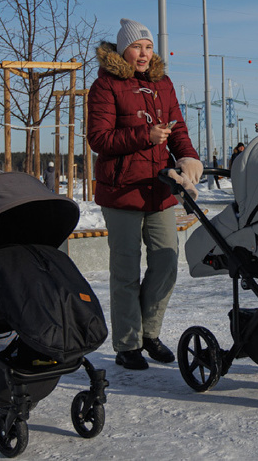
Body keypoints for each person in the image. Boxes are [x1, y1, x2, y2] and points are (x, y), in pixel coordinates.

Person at [87, 18, 202, 371]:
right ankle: (127, 344)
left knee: (166, 262)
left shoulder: (163, 84)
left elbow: (178, 127)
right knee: (125, 270)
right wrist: (144, 137)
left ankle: (149, 333)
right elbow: (99, 139)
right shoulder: (105, 86)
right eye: (137, 47)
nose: (144, 53)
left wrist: (188, 155)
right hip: (121, 191)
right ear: (123, 49)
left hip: (160, 187)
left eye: (148, 47)